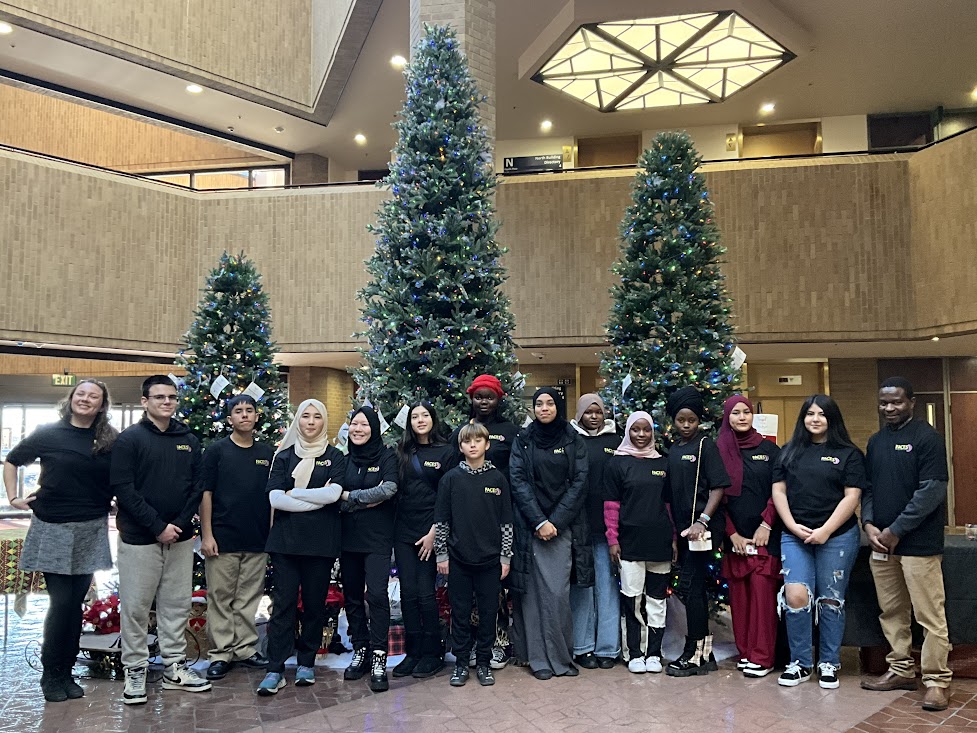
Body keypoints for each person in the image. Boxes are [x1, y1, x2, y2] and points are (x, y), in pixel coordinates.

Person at [3, 379, 116, 703]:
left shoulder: (109, 439)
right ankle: (51, 674)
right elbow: (12, 460)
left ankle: (66, 672)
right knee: (62, 603)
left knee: (74, 605)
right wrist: (13, 497)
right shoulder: (48, 433)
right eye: (81, 394)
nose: (86, 399)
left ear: (101, 404)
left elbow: (119, 477)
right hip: (52, 525)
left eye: (93, 396)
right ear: (71, 398)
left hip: (91, 526)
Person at [111, 375, 210, 705]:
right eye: (159, 397)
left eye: (171, 397)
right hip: (141, 538)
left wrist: (178, 525)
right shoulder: (130, 440)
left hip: (180, 538)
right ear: (145, 401)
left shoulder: (189, 439)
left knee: (176, 605)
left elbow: (198, 486)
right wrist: (157, 526)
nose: (166, 402)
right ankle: (135, 669)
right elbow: (124, 489)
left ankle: (174, 668)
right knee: (137, 608)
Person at [860, 377, 951, 711]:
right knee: (892, 611)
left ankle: (937, 681)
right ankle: (900, 669)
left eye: (896, 402)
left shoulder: (928, 438)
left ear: (911, 401)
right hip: (882, 545)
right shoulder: (876, 441)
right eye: (884, 403)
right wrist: (868, 524)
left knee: (930, 615)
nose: (889, 409)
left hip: (919, 545)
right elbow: (867, 488)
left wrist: (896, 529)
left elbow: (932, 489)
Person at [772, 394, 866, 689]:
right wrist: (791, 526)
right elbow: (779, 492)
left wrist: (825, 530)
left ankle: (828, 663)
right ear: (802, 419)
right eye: (810, 414)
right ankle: (799, 663)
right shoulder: (788, 452)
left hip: (837, 536)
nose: (815, 419)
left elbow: (853, 496)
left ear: (832, 419)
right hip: (794, 535)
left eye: (822, 414)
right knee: (796, 596)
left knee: (829, 599)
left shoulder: (849, 454)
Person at [257, 399, 347, 695]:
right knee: (282, 606)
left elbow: (335, 495)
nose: (310, 421)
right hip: (285, 544)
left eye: (317, 416)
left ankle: (306, 662)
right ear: (298, 420)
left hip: (320, 545)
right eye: (305, 416)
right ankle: (275, 668)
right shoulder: (284, 457)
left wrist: (295, 493)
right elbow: (275, 500)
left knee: (313, 605)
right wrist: (313, 498)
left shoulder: (335, 456)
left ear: (324, 422)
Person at [509, 387, 591, 680]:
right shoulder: (523, 440)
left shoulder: (574, 440)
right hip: (530, 527)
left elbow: (580, 482)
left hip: (562, 528)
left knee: (557, 595)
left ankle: (561, 658)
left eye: (549, 403)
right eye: (538, 404)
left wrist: (554, 521)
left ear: (558, 406)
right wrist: (538, 521)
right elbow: (517, 481)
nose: (544, 408)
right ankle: (538, 660)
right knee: (531, 596)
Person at [200, 394, 274, 682]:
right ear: (229, 418)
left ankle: (244, 648)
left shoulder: (267, 453)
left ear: (257, 417)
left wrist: (270, 534)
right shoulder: (216, 451)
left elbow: (272, 497)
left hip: (256, 538)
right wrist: (207, 534)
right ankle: (220, 653)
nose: (244, 415)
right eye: (238, 411)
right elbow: (205, 493)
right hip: (222, 538)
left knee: (248, 598)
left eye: (249, 410)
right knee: (220, 597)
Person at [435, 422, 514, 687]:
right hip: (458, 560)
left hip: (490, 561)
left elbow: (506, 523)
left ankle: (483, 663)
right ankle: (459, 664)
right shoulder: (450, 479)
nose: (472, 445)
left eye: (477, 441)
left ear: (486, 444)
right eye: (466, 441)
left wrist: (505, 557)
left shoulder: (498, 480)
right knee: (459, 612)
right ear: (460, 447)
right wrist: (441, 555)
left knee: (488, 612)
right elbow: (442, 521)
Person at [452, 374, 520, 669]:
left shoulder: (510, 431)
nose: (483, 402)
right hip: (468, 520)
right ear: (471, 398)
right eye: (478, 396)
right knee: (465, 595)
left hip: (499, 513)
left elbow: (517, 469)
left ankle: (498, 644)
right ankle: (466, 647)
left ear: (498, 399)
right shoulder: (462, 430)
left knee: (497, 589)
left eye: (489, 397)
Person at [664, 386, 730, 677]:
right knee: (691, 589)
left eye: (691, 420)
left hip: (701, 532)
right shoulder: (674, 449)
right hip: (682, 532)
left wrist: (702, 521)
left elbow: (718, 487)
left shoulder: (707, 445)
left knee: (692, 587)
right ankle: (705, 653)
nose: (687, 425)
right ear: (674, 421)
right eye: (681, 420)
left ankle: (696, 654)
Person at [604, 411, 674, 674]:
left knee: (657, 600)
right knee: (632, 600)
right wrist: (612, 539)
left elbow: (669, 506)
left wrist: (675, 539)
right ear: (628, 432)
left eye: (646, 430)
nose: (641, 435)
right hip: (629, 543)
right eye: (636, 430)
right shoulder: (617, 464)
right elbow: (611, 505)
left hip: (660, 542)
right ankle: (634, 652)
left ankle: (654, 653)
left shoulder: (664, 464)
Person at [717, 395, 782, 678]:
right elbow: (717, 498)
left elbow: (778, 492)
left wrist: (765, 526)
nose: (742, 417)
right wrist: (732, 534)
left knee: (762, 598)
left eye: (746, 412)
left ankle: (762, 656)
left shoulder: (770, 450)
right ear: (727, 417)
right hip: (735, 540)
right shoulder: (719, 450)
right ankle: (746, 653)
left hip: (764, 537)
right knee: (740, 600)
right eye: (735, 413)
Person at [392, 401, 453, 679]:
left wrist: (434, 533)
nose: (420, 420)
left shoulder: (446, 451)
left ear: (433, 419)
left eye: (425, 415)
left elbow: (448, 496)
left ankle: (432, 652)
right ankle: (412, 652)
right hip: (403, 532)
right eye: (415, 416)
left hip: (431, 530)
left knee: (426, 594)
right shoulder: (401, 452)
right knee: (408, 593)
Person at [340, 405, 399, 692]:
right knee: (351, 596)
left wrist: (351, 496)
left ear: (374, 428)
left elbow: (388, 490)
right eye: (354, 424)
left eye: (364, 424)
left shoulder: (387, 455)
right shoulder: (343, 458)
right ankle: (360, 649)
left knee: (376, 594)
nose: (358, 429)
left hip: (377, 538)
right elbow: (332, 495)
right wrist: (365, 499)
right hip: (347, 539)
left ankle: (379, 655)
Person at [568, 393, 621, 669]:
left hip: (608, 529)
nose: (594, 416)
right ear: (579, 414)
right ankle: (583, 647)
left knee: (608, 588)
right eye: (588, 412)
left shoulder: (616, 441)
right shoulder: (571, 440)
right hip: (579, 526)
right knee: (582, 588)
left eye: (598, 412)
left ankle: (608, 649)